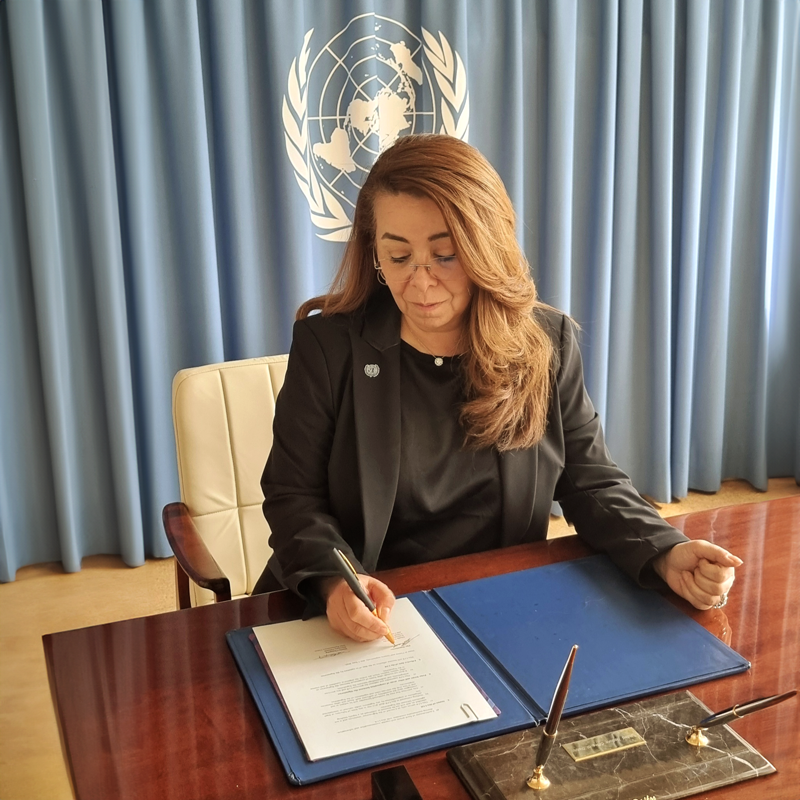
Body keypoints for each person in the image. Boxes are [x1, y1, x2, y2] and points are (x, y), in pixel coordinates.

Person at [254, 134, 741, 642]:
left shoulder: (544, 342)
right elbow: (293, 496)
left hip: (496, 609)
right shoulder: (329, 345)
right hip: (367, 614)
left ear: (484, 248)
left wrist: (663, 551)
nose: (420, 284)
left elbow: (590, 481)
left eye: (444, 256)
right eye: (398, 258)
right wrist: (337, 583)